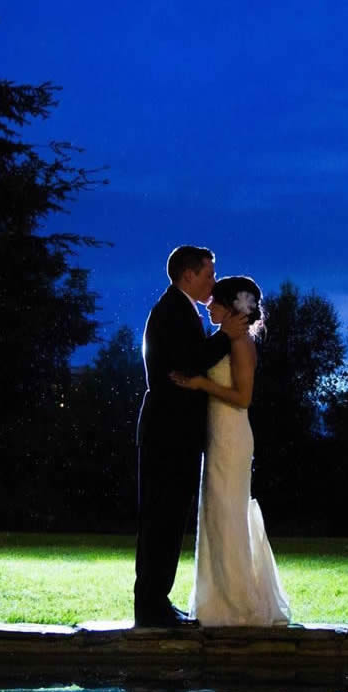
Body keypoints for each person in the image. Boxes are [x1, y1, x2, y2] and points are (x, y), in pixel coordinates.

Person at [135, 246, 249, 629]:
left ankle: (156, 601)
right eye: (209, 275)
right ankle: (150, 606)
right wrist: (225, 336)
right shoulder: (171, 312)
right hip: (167, 434)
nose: (213, 282)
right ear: (189, 275)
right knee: (160, 519)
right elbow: (184, 364)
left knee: (167, 520)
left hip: (175, 435)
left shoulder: (181, 310)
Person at [170, 276, 291, 627]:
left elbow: (243, 398)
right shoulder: (223, 341)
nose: (209, 304)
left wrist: (200, 384)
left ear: (231, 308)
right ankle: (217, 600)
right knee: (215, 514)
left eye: (216, 302)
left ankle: (235, 603)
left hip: (232, 436)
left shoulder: (240, 344)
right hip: (218, 435)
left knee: (227, 514)